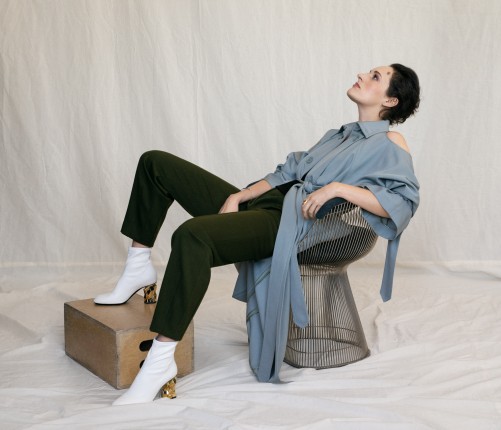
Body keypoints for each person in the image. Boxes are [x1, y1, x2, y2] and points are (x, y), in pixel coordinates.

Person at [94, 64, 420, 405]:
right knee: (155, 163)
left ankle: (160, 361)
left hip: (288, 224)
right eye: (368, 72)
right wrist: (238, 196)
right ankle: (138, 267)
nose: (363, 76)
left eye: (375, 77)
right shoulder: (338, 135)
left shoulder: (390, 141)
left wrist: (338, 189)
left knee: (192, 236)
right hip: (266, 204)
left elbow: (403, 201)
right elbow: (287, 172)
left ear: (391, 100)